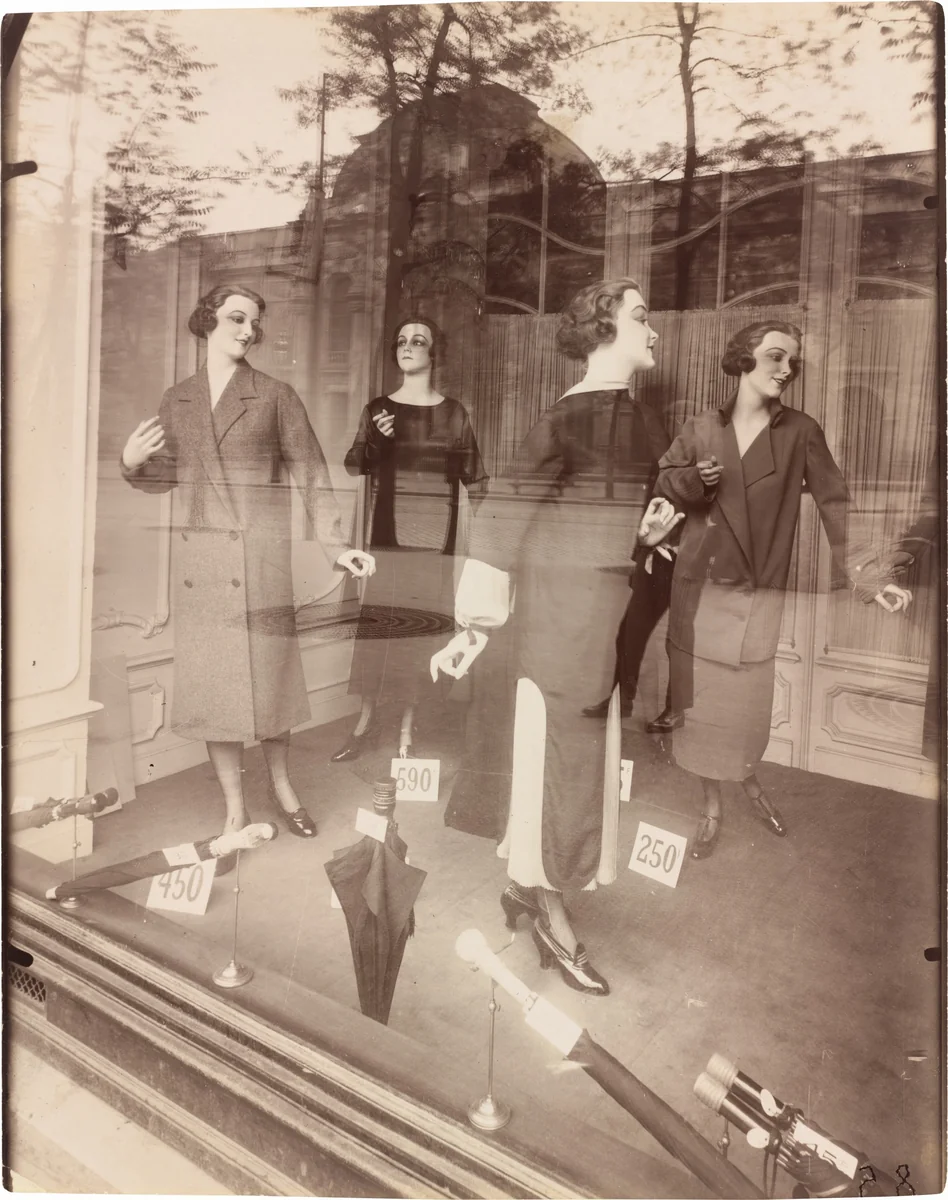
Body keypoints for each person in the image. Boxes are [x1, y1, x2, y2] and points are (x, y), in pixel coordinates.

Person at [431, 279, 682, 997]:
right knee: (563, 763)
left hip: (601, 613)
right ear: (603, 329)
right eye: (642, 318)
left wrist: (641, 534)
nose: (654, 331)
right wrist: (474, 625)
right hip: (559, 621)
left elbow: (591, 515)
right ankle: (550, 915)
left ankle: (527, 886)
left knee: (578, 759)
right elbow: (504, 516)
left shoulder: (634, 416)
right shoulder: (567, 418)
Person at [121, 285, 374, 841]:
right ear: (208, 320)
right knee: (217, 693)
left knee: (270, 686)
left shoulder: (274, 394)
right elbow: (166, 479)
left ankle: (283, 788)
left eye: (254, 323)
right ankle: (235, 808)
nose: (247, 331)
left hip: (259, 562)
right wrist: (132, 463)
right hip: (202, 568)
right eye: (237, 318)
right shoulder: (178, 398)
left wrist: (337, 546)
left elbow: (311, 474)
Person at [656, 320, 912, 860]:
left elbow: (834, 503)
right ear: (743, 359)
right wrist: (692, 483)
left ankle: (749, 784)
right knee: (699, 712)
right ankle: (711, 807)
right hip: (697, 595)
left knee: (745, 710)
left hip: (755, 597)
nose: (786, 369)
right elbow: (663, 484)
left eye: (792, 361)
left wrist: (871, 576)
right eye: (775, 356)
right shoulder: (701, 426)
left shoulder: (800, 431)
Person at [331, 318, 487, 763]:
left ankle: (405, 732)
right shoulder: (378, 408)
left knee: (420, 631)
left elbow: (475, 478)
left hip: (436, 542)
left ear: (434, 354)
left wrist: (495, 537)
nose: (408, 347)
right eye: (401, 341)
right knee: (380, 630)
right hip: (386, 538)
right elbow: (353, 464)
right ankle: (364, 723)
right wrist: (377, 441)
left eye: (418, 341)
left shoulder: (454, 413)